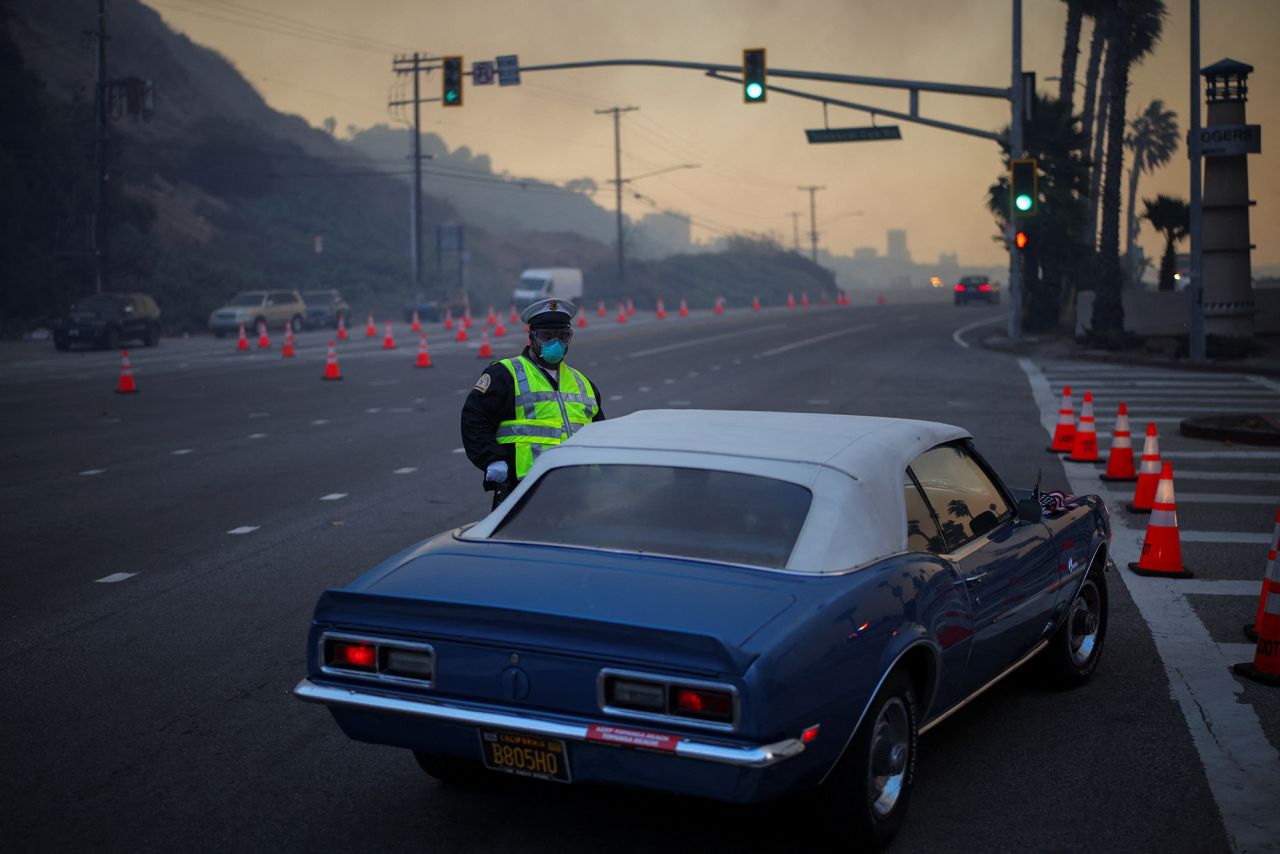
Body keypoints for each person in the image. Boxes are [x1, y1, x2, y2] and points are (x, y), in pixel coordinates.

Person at [460, 297, 605, 507]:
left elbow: (600, 432)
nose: (556, 344)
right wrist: (492, 459)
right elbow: (474, 419)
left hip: (577, 489)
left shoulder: (582, 383)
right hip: (523, 489)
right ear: (532, 337)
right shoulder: (505, 374)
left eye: (564, 336)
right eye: (547, 336)